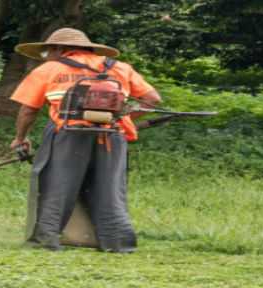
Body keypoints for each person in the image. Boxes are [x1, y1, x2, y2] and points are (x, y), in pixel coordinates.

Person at [9, 28, 162, 253]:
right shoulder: (120, 68)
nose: (47, 56)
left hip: (68, 135)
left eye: (47, 52)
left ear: (59, 49)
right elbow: (152, 100)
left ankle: (47, 240)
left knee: (57, 186)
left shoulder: (50, 69)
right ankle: (118, 243)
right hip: (112, 136)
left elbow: (28, 111)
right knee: (110, 189)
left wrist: (20, 139)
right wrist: (120, 118)